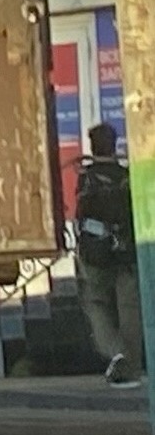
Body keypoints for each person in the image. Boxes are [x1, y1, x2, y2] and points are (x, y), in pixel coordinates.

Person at [74, 121, 144, 386]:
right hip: (127, 252)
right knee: (130, 310)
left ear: (93, 145)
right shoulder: (127, 176)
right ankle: (133, 370)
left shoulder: (87, 177)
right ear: (114, 144)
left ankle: (116, 353)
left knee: (95, 302)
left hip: (97, 255)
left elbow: (82, 215)